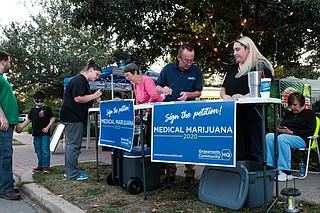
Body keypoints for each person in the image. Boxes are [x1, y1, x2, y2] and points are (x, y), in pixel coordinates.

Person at [156, 44, 203, 189]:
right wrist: (162, 89)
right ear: (178, 58)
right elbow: (157, 87)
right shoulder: (167, 69)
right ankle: (171, 174)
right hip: (170, 112)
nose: (189, 63)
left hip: (189, 111)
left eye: (192, 60)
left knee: (188, 142)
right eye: (186, 60)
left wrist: (188, 95)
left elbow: (199, 92)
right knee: (171, 142)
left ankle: (190, 174)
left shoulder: (196, 71)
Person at [220, 36, 274, 163]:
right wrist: (225, 96)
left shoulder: (261, 66)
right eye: (234, 50)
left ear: (248, 48)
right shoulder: (232, 69)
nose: (235, 53)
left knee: (256, 152)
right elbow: (223, 88)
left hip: (254, 116)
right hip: (235, 117)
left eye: (238, 50)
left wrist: (244, 97)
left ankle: (257, 180)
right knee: (238, 152)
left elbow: (264, 89)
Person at [60, 59, 102, 181]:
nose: (96, 78)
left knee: (71, 145)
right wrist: (95, 95)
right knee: (73, 146)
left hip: (72, 116)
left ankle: (70, 171)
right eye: (97, 74)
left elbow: (83, 98)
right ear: (91, 70)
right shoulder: (79, 80)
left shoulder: (80, 80)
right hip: (74, 117)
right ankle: (72, 174)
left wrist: (92, 100)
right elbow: (78, 98)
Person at [266, 92, 316, 181]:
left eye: (295, 105)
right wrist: (279, 129)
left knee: (282, 139)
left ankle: (285, 172)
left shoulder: (309, 113)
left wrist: (291, 132)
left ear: (301, 103)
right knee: (269, 137)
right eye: (290, 105)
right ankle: (271, 168)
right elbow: (282, 125)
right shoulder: (289, 114)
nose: (292, 107)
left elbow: (310, 131)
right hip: (286, 136)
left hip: (302, 138)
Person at [123, 63, 163, 147]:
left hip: (158, 112)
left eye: (128, 75)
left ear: (135, 72)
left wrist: (145, 109)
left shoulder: (146, 80)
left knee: (151, 137)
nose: (127, 78)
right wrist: (139, 113)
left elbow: (154, 96)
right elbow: (138, 100)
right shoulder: (135, 85)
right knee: (148, 137)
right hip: (150, 112)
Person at [15, 91, 55, 174]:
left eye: (41, 100)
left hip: (45, 134)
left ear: (44, 100)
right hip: (36, 134)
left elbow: (52, 118)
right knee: (38, 150)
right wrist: (21, 127)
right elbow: (29, 120)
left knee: (45, 149)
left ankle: (45, 166)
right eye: (37, 100)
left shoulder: (47, 109)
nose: (39, 102)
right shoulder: (33, 110)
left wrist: (47, 127)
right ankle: (40, 165)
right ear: (34, 100)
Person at [0, 51, 22, 200]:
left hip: (7, 123)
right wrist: (2, 117)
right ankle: (6, 189)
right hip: (3, 124)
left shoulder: (2, 78)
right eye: (9, 61)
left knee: (3, 155)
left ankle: (5, 184)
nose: (10, 64)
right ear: (3, 61)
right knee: (5, 155)